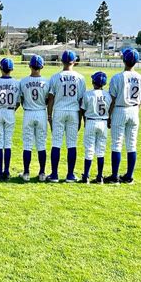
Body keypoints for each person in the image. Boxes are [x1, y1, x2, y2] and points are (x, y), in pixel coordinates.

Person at [105, 48, 141, 184]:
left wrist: (109, 116)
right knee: (131, 145)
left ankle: (115, 176)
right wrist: (136, 112)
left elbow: (111, 99)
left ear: (123, 60)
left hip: (120, 109)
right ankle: (129, 176)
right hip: (134, 110)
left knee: (116, 144)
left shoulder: (118, 77)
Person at [46, 50, 86, 183]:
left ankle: (54, 174)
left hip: (59, 111)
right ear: (74, 62)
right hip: (74, 112)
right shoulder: (80, 78)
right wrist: (80, 118)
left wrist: (49, 115)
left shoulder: (55, 77)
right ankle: (70, 175)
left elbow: (51, 98)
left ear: (61, 61)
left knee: (56, 143)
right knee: (71, 144)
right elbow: (81, 101)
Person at [19, 55, 49, 181]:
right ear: (42, 66)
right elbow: (48, 99)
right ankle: (42, 173)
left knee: (27, 144)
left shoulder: (23, 81)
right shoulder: (47, 81)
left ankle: (26, 173)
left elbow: (21, 99)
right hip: (41, 112)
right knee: (41, 144)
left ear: (30, 66)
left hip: (29, 112)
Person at [0, 57, 21, 180]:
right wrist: (12, 110)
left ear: (1, 68)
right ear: (11, 69)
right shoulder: (16, 83)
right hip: (10, 111)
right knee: (7, 143)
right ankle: (6, 171)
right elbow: (18, 102)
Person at [80, 71, 112, 184]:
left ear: (93, 81)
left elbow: (83, 110)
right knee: (101, 150)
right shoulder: (108, 95)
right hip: (103, 122)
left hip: (91, 122)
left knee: (89, 150)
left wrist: (84, 122)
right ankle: (99, 177)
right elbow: (110, 109)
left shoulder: (88, 94)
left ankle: (86, 176)